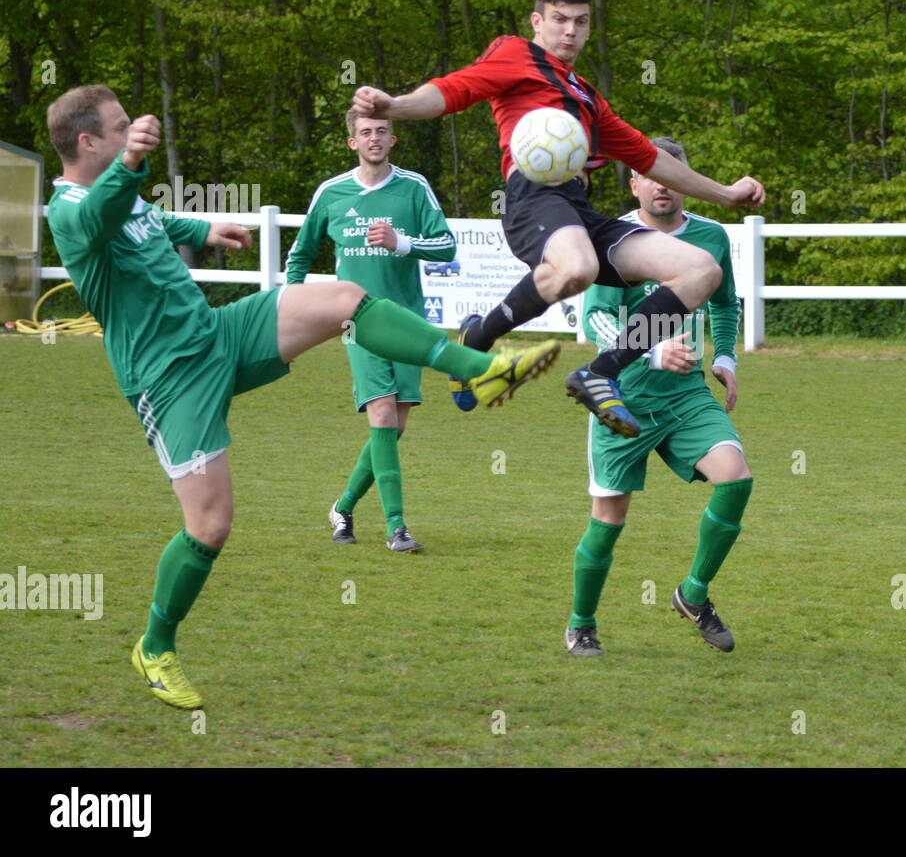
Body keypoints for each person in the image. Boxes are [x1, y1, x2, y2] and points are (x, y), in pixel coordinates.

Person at [45, 85, 559, 709]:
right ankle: (156, 646)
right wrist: (132, 167)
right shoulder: (70, 211)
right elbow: (101, 216)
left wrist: (204, 225)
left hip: (216, 334)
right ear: (87, 142)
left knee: (345, 296)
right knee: (209, 525)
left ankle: (480, 368)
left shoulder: (122, 193)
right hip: (167, 380)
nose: (133, 135)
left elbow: (148, 220)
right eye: (121, 128)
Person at [350, 0, 765, 439]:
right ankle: (483, 338)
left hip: (577, 208)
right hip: (531, 196)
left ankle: (596, 370)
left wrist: (726, 194)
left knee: (701, 270)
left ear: (589, 29)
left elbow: (651, 159)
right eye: (560, 20)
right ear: (537, 22)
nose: (570, 30)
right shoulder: (514, 54)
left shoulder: (587, 96)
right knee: (577, 267)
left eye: (581, 22)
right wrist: (395, 106)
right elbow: (455, 89)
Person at [565, 137, 752, 657]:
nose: (661, 185)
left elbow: (724, 303)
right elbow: (595, 318)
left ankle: (692, 595)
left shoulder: (711, 238)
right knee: (609, 520)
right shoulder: (616, 238)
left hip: (686, 397)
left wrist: (725, 358)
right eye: (650, 174)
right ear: (634, 182)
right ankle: (582, 624)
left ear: (686, 182)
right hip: (621, 400)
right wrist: (652, 350)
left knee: (735, 480)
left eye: (672, 175)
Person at [286, 113, 457, 553]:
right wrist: (291, 305)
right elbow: (300, 254)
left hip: (406, 322)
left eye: (381, 130)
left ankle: (343, 507)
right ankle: (397, 527)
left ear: (393, 138)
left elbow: (447, 245)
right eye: (365, 132)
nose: (374, 138)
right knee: (380, 415)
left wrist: (403, 242)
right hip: (357, 322)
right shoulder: (332, 193)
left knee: (393, 427)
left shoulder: (414, 187)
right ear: (352, 142)